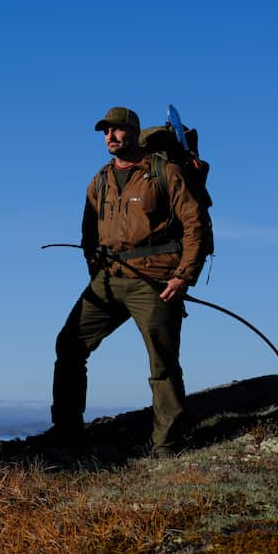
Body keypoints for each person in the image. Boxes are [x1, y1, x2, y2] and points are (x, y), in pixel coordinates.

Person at [51, 106, 206, 456]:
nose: (110, 136)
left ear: (133, 132)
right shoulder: (100, 179)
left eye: (117, 130)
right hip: (108, 279)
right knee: (69, 345)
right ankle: (66, 432)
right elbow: (88, 232)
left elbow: (194, 224)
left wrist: (184, 275)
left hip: (154, 280)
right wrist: (96, 270)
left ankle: (167, 442)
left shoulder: (164, 173)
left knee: (162, 361)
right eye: (105, 131)